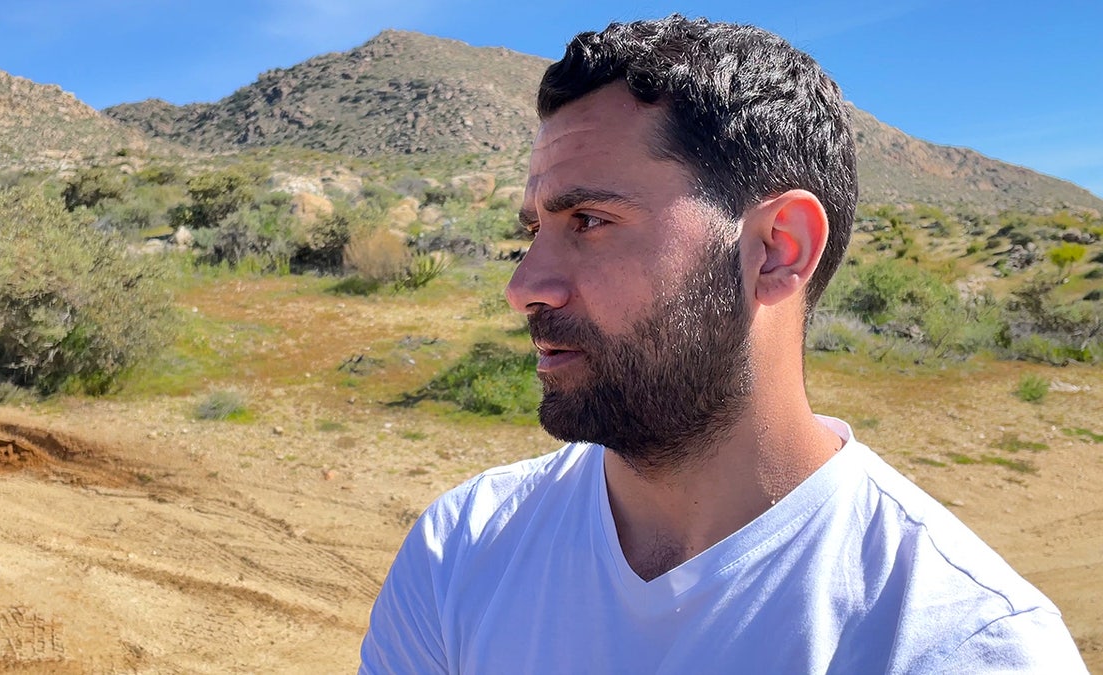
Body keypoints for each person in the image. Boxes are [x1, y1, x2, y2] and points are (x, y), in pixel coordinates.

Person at [360, 15, 1087, 674]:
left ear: (777, 250)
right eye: (532, 232)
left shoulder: (960, 643)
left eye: (587, 220)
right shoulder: (461, 550)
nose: (525, 287)